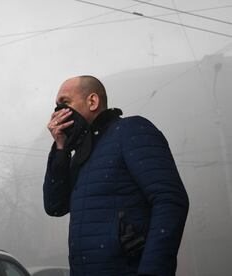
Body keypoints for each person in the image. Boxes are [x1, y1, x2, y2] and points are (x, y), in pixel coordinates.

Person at [43, 76, 189, 276]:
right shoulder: (81, 154)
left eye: (65, 103)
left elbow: (170, 200)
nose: (57, 113)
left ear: (92, 101)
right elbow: (55, 206)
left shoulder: (130, 130)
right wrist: (60, 147)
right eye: (56, 106)